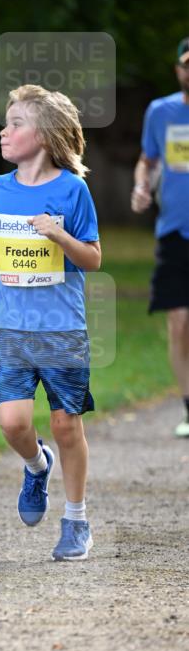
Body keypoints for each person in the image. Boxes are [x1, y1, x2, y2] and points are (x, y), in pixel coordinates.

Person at [0, 85, 101, 561]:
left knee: (65, 425)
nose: (5, 131)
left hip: (62, 330)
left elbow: (93, 258)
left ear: (44, 135)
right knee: (12, 423)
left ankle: (76, 520)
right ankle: (38, 466)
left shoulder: (72, 190)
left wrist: (59, 235)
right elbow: (0, 256)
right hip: (13, 329)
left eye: (16, 123)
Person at [131, 37, 189, 438]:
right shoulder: (161, 112)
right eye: (188, 65)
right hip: (175, 231)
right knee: (179, 322)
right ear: (178, 70)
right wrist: (142, 187)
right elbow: (148, 162)